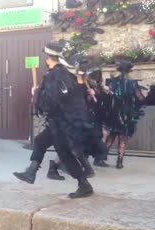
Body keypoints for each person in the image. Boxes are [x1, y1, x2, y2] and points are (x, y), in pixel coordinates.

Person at [14, 42, 95, 199]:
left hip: (60, 122)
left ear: (48, 58)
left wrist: (37, 95)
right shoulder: (63, 72)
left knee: (59, 151)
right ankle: (31, 172)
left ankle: (83, 184)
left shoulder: (54, 74)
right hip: (63, 121)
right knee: (44, 143)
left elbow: (54, 99)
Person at [104, 60, 146, 169]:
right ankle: (119, 161)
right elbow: (140, 98)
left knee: (112, 135)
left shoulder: (113, 82)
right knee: (123, 137)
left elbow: (109, 95)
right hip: (128, 112)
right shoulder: (133, 83)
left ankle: (101, 157)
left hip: (115, 111)